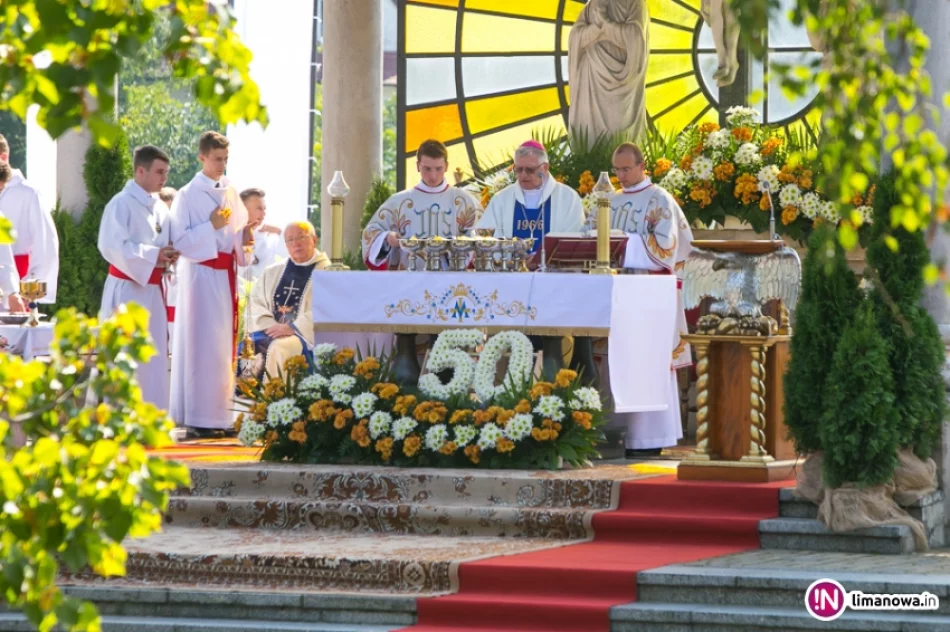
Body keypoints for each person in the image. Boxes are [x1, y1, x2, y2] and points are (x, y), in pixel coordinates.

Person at [604, 142, 693, 457]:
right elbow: (592, 236)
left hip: (649, 294)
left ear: (643, 166)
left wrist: (621, 242)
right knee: (617, 360)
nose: (621, 176)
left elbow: (666, 249)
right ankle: (614, 435)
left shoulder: (660, 199)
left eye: (626, 169)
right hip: (616, 292)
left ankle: (651, 438)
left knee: (649, 361)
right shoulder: (609, 201)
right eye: (617, 170)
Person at [169, 131, 257, 438]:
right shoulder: (187, 195)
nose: (222, 165)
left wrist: (245, 240)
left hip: (224, 277)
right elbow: (179, 241)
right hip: (200, 278)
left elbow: (239, 234)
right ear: (202, 157)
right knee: (201, 345)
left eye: (225, 159)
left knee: (222, 349)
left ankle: (221, 416)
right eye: (217, 159)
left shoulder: (230, 191)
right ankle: (198, 417)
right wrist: (211, 226)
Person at [97, 145, 178, 409]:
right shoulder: (120, 204)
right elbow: (112, 247)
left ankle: (151, 415)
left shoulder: (161, 207)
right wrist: (155, 255)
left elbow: (167, 242)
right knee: (126, 355)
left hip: (153, 291)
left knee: (153, 357)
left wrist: (170, 254)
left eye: (166, 172)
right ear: (140, 171)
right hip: (127, 291)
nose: (164, 178)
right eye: (159, 172)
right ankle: (121, 417)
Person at [362, 139, 481, 270]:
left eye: (438, 169)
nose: (433, 176)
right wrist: (386, 238)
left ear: (446, 166)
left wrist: (456, 247)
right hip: (408, 277)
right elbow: (371, 233)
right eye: (427, 169)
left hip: (451, 278)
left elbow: (482, 237)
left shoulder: (464, 201)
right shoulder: (398, 202)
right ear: (418, 166)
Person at [242, 221, 329, 381]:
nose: (296, 243)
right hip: (269, 330)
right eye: (290, 239)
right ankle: (244, 394)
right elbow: (255, 302)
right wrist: (270, 326)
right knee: (246, 348)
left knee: (279, 348)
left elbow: (328, 308)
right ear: (286, 245)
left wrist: (292, 328)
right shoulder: (273, 271)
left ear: (314, 240)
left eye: (301, 237)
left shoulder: (328, 272)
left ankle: (274, 394)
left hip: (303, 336)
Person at [476, 140, 585, 252]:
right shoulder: (501, 199)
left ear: (545, 167)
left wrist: (540, 258)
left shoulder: (568, 198)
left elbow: (573, 240)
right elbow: (486, 239)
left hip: (552, 263)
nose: (523, 175)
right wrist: (512, 259)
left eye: (530, 170)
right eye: (518, 169)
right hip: (510, 263)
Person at [568, 0, 649, 146]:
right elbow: (575, 36)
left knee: (620, 136)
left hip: (623, 83)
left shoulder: (635, 2)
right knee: (589, 133)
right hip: (590, 76)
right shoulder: (593, 4)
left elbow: (636, 37)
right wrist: (596, 30)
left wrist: (607, 25)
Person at [0, 134, 59, 303]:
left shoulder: (28, 193)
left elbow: (45, 243)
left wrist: (30, 286)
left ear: (3, 157)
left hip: (18, 282)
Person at [239, 188, 284, 280]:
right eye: (259, 208)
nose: (264, 214)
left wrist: (279, 231)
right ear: (243, 209)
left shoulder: (270, 237)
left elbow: (286, 259)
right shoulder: (229, 236)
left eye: (264, 209)